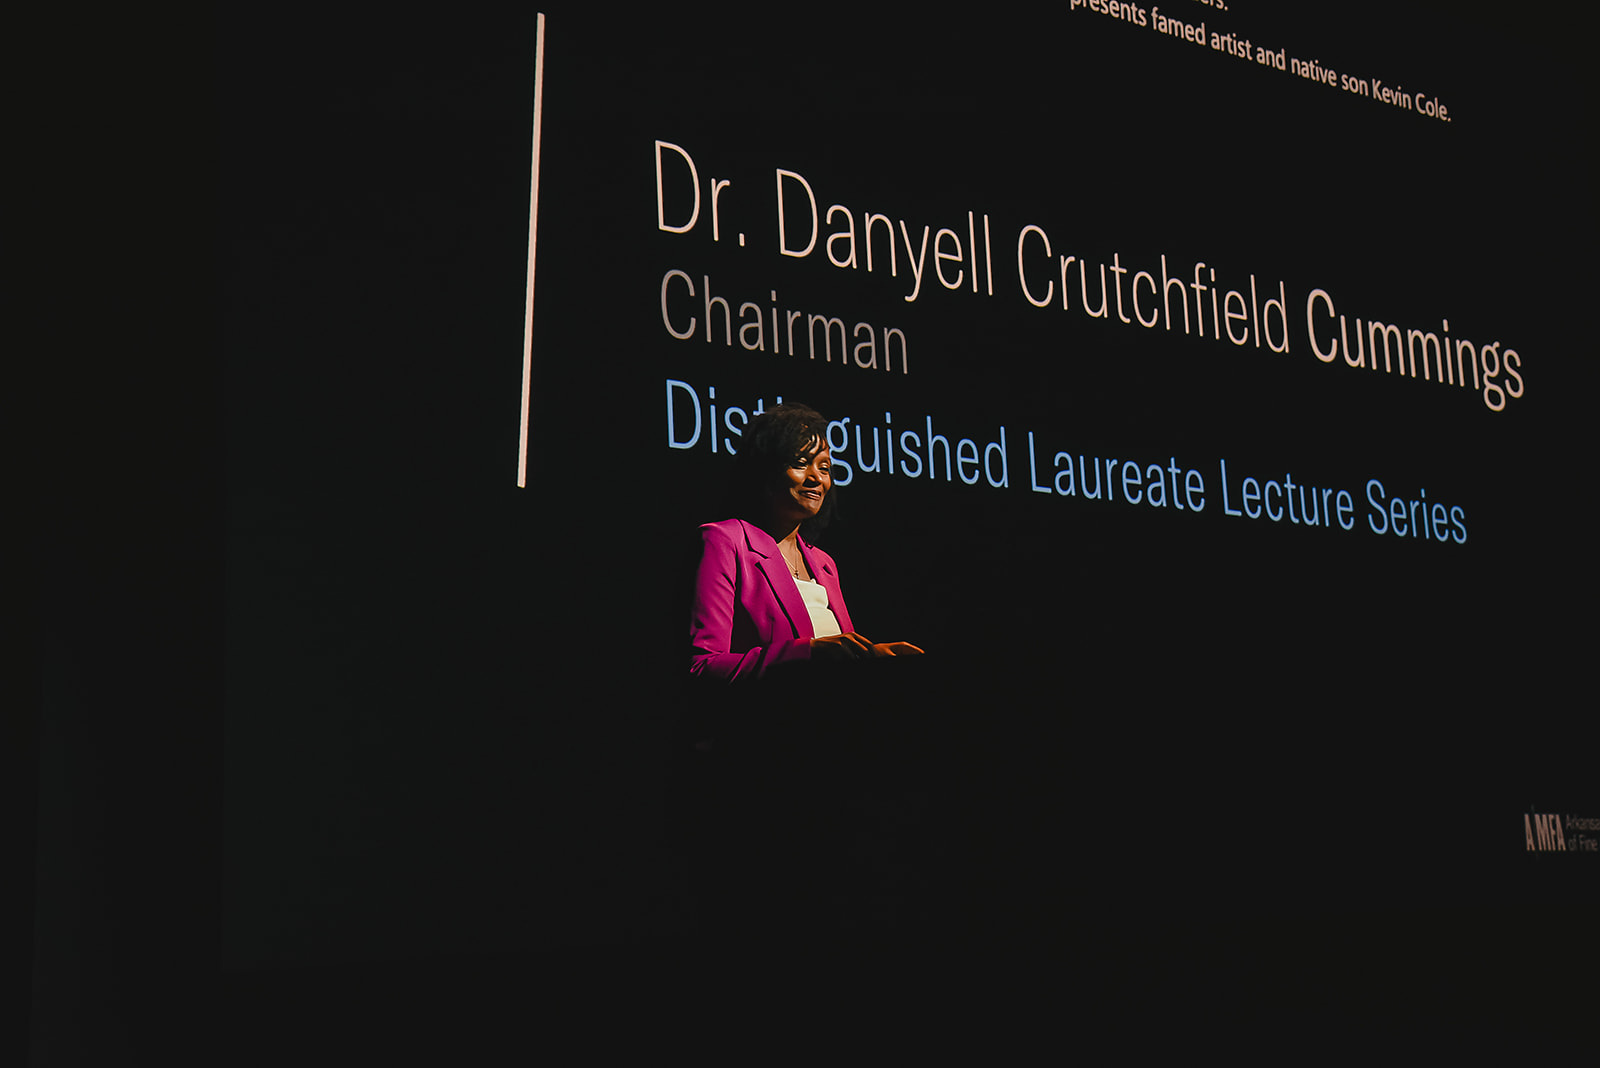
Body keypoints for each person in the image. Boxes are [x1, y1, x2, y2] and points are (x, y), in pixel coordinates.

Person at [689, 403, 923, 683]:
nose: (816, 478)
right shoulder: (724, 541)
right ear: (765, 470)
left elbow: (833, 652)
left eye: (824, 468)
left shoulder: (824, 563)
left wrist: (869, 655)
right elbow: (703, 666)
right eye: (801, 463)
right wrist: (806, 653)